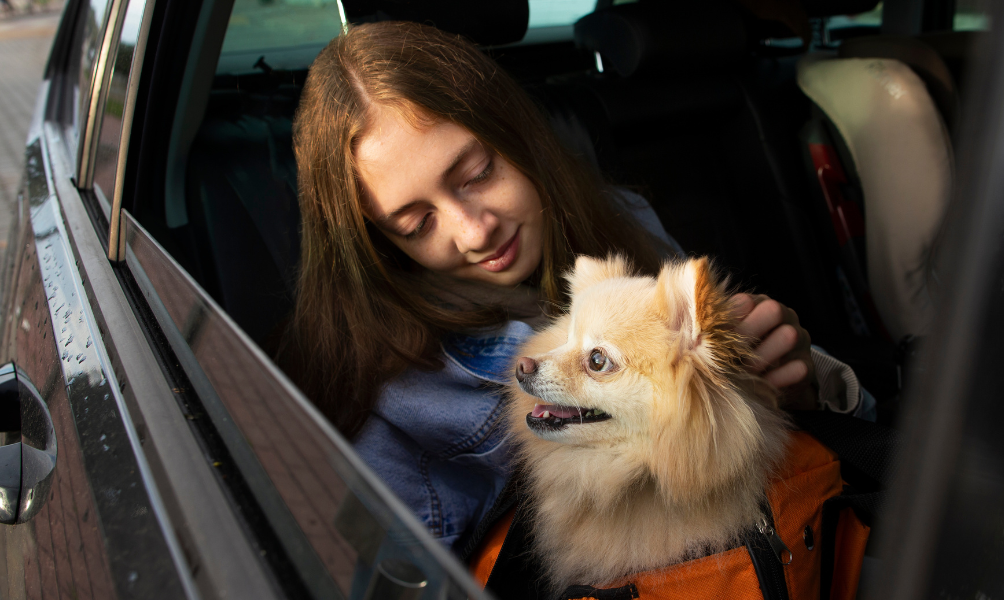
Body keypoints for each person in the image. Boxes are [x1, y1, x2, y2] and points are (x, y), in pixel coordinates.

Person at [280, 20, 868, 558]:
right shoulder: (400, 395)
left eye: (478, 174)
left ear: (518, 135)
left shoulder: (621, 219)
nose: (475, 230)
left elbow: (835, 414)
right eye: (417, 224)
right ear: (381, 245)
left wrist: (797, 375)